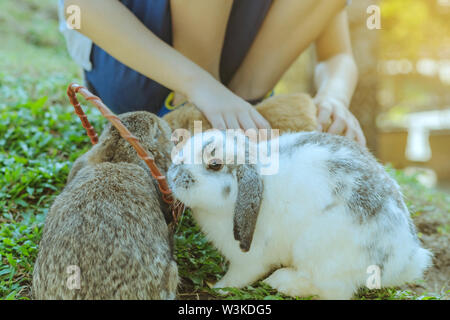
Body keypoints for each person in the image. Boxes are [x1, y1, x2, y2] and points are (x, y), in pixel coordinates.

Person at [60, 0, 365, 145]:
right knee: (198, 96)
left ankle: (239, 116)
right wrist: (199, 85)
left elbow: (337, 53)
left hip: (233, 92)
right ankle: (192, 114)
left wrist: (334, 97)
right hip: (135, 62)